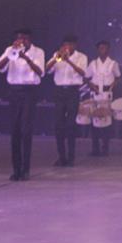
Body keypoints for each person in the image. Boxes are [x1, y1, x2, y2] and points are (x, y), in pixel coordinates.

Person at [0, 28, 45, 181]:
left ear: (29, 39)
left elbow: (40, 72)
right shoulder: (10, 50)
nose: (21, 41)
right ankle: (16, 169)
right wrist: (11, 55)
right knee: (15, 131)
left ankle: (25, 169)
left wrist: (25, 58)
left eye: (24, 38)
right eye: (18, 38)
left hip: (29, 92)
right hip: (14, 92)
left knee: (26, 130)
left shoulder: (38, 52)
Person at [45, 35, 88, 167]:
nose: (67, 48)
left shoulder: (82, 57)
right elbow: (47, 69)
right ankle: (61, 156)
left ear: (75, 45)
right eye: (65, 45)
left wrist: (68, 61)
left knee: (70, 125)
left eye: (69, 45)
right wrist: (57, 58)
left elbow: (83, 73)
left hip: (72, 92)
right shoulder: (57, 55)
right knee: (58, 125)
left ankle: (71, 157)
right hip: (59, 92)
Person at [85, 41, 121, 156]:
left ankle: (105, 147)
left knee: (106, 121)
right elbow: (86, 77)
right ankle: (95, 148)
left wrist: (112, 86)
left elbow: (118, 77)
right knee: (94, 120)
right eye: (100, 48)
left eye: (104, 48)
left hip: (106, 93)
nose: (102, 50)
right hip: (95, 93)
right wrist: (91, 85)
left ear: (108, 50)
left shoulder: (113, 63)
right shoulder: (93, 63)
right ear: (97, 50)